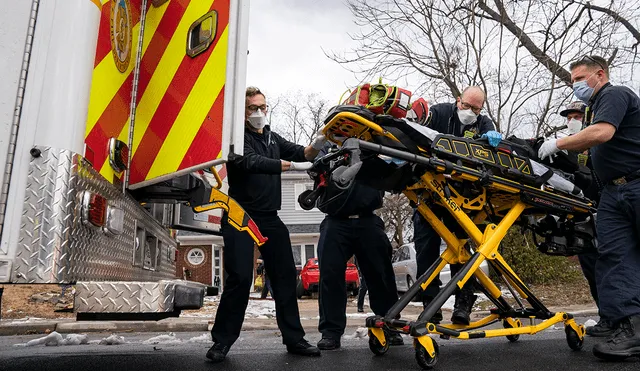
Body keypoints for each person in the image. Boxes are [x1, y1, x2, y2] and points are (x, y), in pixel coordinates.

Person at [207, 87, 325, 362]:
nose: (259, 113)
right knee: (240, 278)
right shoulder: (235, 139)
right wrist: (287, 166)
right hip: (240, 215)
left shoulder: (272, 137)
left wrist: (321, 140)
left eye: (263, 107)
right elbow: (250, 162)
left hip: (270, 218)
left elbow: (303, 152)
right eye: (252, 108)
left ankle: (294, 339)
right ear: (243, 112)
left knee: (285, 277)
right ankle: (221, 342)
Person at [538, 55, 640, 361]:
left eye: (580, 79)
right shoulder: (594, 107)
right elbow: (585, 146)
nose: (576, 86)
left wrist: (559, 143)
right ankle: (626, 324)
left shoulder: (614, 94)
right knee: (613, 255)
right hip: (613, 191)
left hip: (635, 184)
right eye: (572, 82)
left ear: (600, 74)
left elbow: (602, 133)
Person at [413, 86, 502, 325]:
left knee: (463, 250)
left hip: (463, 198)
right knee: (426, 252)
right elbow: (417, 126)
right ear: (457, 100)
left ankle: (463, 303)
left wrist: (494, 141)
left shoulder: (483, 124)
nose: (470, 112)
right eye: (466, 106)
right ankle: (431, 304)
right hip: (430, 194)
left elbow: (493, 153)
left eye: (476, 108)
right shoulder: (440, 113)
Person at [315, 145, 402, 350]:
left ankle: (389, 325)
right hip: (335, 221)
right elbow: (317, 169)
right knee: (330, 276)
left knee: (381, 274)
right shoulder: (328, 151)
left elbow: (393, 172)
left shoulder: (374, 147)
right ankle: (331, 332)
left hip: (368, 219)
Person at [557, 101, 612, 337]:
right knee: (591, 268)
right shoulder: (565, 148)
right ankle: (606, 317)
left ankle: (624, 317)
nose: (573, 120)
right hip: (581, 217)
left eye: (577, 115)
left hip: (608, 213)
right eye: (569, 116)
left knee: (613, 266)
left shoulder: (602, 142)